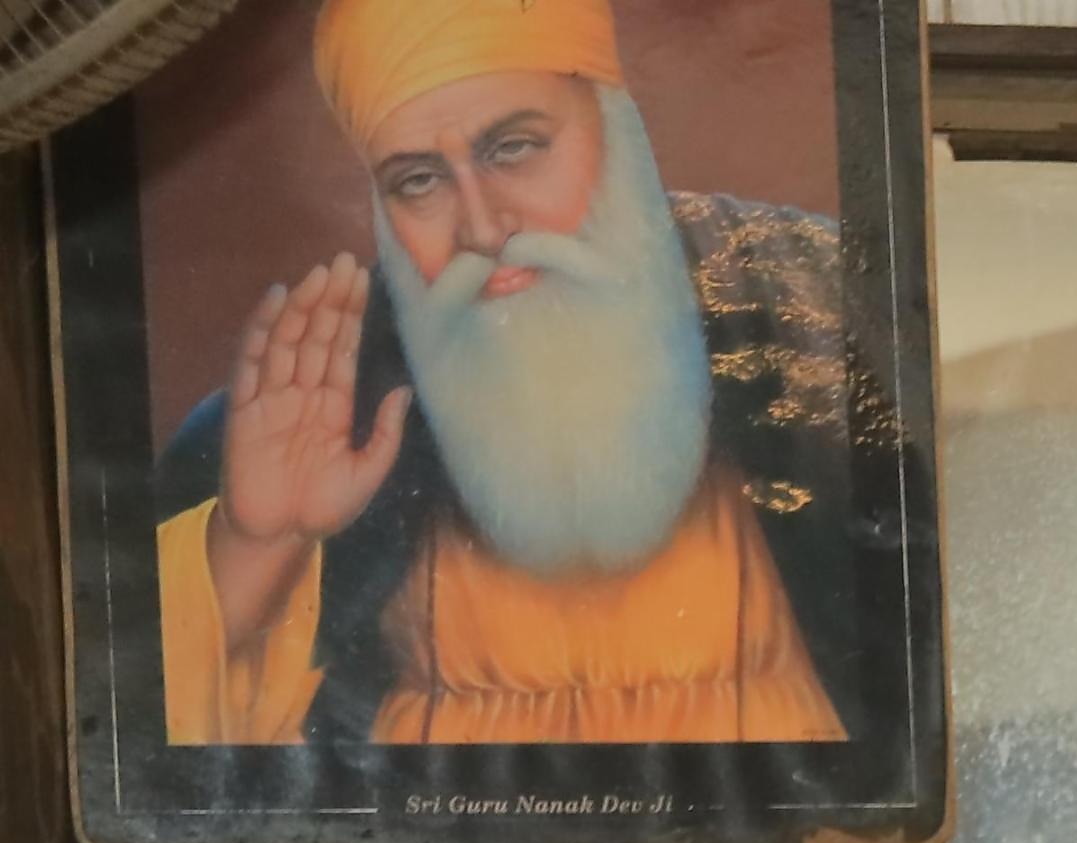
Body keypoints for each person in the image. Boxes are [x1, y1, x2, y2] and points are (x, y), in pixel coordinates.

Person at [155, 0, 859, 747]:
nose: (485, 228)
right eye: (418, 181)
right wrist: (258, 548)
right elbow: (164, 756)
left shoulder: (815, 304)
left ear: (614, 129)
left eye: (514, 148)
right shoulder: (316, 409)